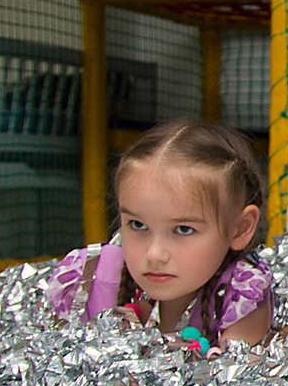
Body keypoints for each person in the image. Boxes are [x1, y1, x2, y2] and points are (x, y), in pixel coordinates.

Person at [47, 120, 272, 349]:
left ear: (240, 228)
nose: (155, 254)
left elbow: (238, 377)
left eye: (183, 229)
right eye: (137, 225)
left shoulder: (242, 292)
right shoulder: (87, 278)